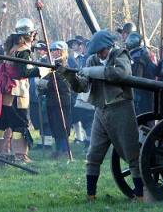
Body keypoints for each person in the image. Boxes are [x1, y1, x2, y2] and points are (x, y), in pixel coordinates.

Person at [57, 29, 142, 201]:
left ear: (109, 47)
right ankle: (91, 196)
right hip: (100, 111)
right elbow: (82, 86)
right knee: (93, 155)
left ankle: (140, 195)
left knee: (132, 154)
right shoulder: (92, 59)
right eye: (96, 51)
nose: (99, 54)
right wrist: (68, 75)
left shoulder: (120, 54)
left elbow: (120, 74)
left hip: (121, 108)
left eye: (101, 50)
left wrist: (91, 71)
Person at [0, 18, 47, 163]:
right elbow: (24, 72)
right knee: (19, 124)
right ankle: (20, 155)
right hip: (17, 92)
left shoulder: (11, 47)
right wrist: (43, 70)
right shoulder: (23, 51)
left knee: (2, 124)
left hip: (6, 92)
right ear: (30, 34)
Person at [38, 41, 72, 158]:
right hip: (52, 101)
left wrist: (46, 84)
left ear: (60, 51)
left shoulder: (64, 66)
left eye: (54, 50)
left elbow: (63, 85)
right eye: (51, 50)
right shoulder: (52, 65)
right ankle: (58, 149)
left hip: (61, 101)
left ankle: (64, 150)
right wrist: (42, 86)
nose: (52, 52)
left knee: (62, 126)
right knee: (55, 127)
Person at [125, 32, 156, 115]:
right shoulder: (141, 54)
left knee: (143, 118)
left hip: (143, 94)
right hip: (146, 92)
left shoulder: (138, 57)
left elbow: (137, 79)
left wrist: (136, 97)